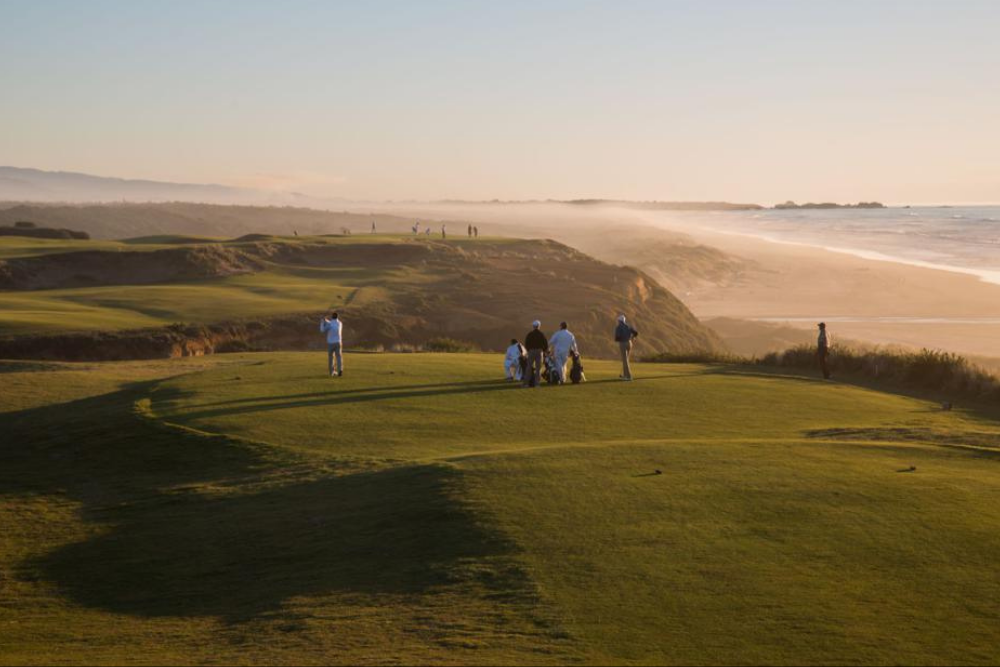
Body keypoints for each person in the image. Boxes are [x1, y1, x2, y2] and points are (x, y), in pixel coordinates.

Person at [524, 320, 549, 388]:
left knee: (529, 367)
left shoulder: (530, 334)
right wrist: (543, 351)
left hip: (531, 351)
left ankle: (526, 384)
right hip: (539, 352)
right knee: (538, 368)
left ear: (533, 326)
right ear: (539, 326)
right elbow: (546, 344)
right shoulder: (542, 334)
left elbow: (526, 344)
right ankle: (537, 384)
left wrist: (529, 350)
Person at [614, 314, 638, 381]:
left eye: (618, 320)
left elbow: (617, 338)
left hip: (623, 343)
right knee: (626, 360)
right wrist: (632, 338)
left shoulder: (618, 327)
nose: (618, 321)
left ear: (620, 321)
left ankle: (628, 376)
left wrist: (619, 339)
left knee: (625, 361)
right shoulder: (628, 326)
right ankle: (625, 375)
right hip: (629, 343)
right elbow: (636, 333)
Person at [320, 311, 344, 377]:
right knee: (339, 357)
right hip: (338, 342)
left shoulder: (329, 324)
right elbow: (332, 324)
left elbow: (322, 330)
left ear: (332, 317)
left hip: (330, 343)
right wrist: (326, 320)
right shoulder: (340, 323)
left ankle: (332, 372)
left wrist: (322, 322)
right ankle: (340, 370)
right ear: (337, 317)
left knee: (331, 358)